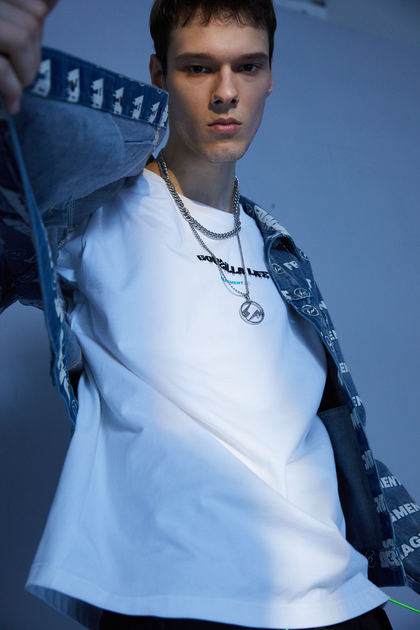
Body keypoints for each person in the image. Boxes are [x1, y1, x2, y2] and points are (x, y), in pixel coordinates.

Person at [1, 1, 419, 629]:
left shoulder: (280, 249)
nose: (226, 93)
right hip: (180, 596)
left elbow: (325, 430)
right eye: (198, 68)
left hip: (342, 600)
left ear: (270, 77)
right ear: (159, 73)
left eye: (248, 67)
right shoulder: (87, 212)